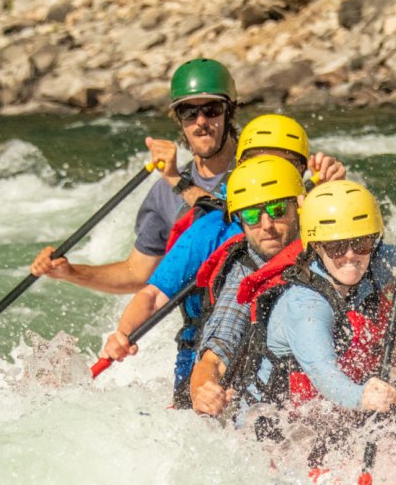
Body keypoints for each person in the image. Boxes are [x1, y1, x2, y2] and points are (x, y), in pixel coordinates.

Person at [97, 114, 344, 406]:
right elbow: (153, 296)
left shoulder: (311, 212)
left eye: (286, 164)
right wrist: (123, 334)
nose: (270, 172)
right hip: (207, 358)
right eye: (258, 162)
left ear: (301, 171)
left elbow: (358, 258)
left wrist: (337, 194)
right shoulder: (212, 229)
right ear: (240, 168)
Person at [223, 152, 396, 456]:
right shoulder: (305, 306)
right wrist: (363, 397)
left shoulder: (369, 263)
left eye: (361, 243)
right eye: (336, 246)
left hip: (323, 418)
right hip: (271, 435)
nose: (350, 256)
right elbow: (324, 374)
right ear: (316, 246)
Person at [29, 58, 240, 293]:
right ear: (179, 119)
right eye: (189, 112)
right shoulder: (163, 193)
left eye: (212, 110)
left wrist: (177, 182)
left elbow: (238, 227)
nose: (201, 122)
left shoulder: (257, 167)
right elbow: (137, 274)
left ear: (229, 111)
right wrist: (70, 273)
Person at [184, 156, 305, 416]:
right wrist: (204, 390)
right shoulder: (244, 274)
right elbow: (213, 359)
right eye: (252, 215)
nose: (267, 226)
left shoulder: (333, 247)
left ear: (299, 206)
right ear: (240, 221)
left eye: (277, 210)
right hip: (272, 413)